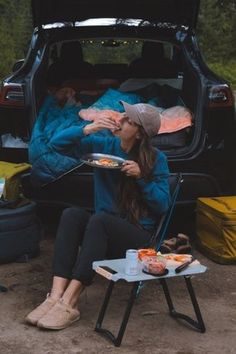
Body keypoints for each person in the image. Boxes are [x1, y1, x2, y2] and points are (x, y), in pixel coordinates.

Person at [25, 101, 170, 330]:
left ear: (140, 134)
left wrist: (142, 178)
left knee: (99, 220)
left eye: (129, 120)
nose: (120, 120)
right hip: (102, 232)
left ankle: (70, 303)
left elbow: (162, 205)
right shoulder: (103, 145)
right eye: (122, 115)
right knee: (72, 215)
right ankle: (55, 296)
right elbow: (55, 145)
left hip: (137, 239)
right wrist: (87, 129)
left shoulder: (157, 159)